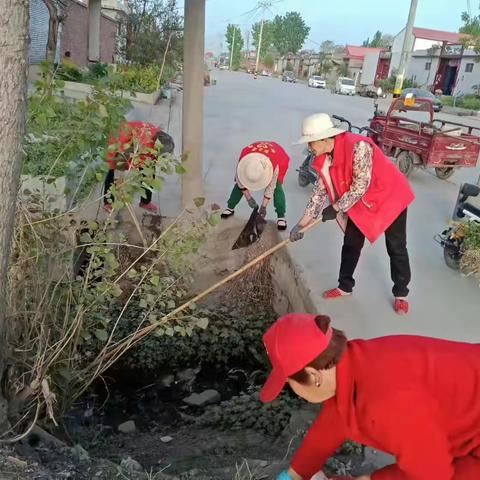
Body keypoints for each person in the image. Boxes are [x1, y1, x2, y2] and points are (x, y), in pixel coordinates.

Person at [260, 313, 480, 480]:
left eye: (290, 384)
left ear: (313, 375)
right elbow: (333, 422)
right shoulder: (355, 363)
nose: (293, 390)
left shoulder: (386, 403)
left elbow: (434, 474)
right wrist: (294, 474)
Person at [290, 113, 414, 315]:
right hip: (359, 201)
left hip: (389, 196)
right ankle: (344, 286)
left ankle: (401, 293)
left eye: (311, 142)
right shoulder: (323, 157)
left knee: (396, 246)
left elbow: (360, 186)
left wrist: (336, 208)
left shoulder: (358, 146)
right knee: (351, 243)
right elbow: (319, 191)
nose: (310, 147)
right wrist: (302, 224)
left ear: (325, 138)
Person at [104, 121, 175, 213]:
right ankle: (108, 202)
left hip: (134, 144)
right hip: (118, 143)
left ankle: (145, 202)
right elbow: (129, 160)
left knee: (149, 173)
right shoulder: (144, 141)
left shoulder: (161, 138)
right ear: (156, 146)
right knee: (113, 172)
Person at [221, 141, 290, 230]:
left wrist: (263, 207)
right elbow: (240, 182)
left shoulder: (273, 167)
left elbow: (271, 188)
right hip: (252, 152)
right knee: (241, 182)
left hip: (277, 156)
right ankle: (230, 207)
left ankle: (281, 216)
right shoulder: (243, 162)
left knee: (277, 187)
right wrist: (249, 198)